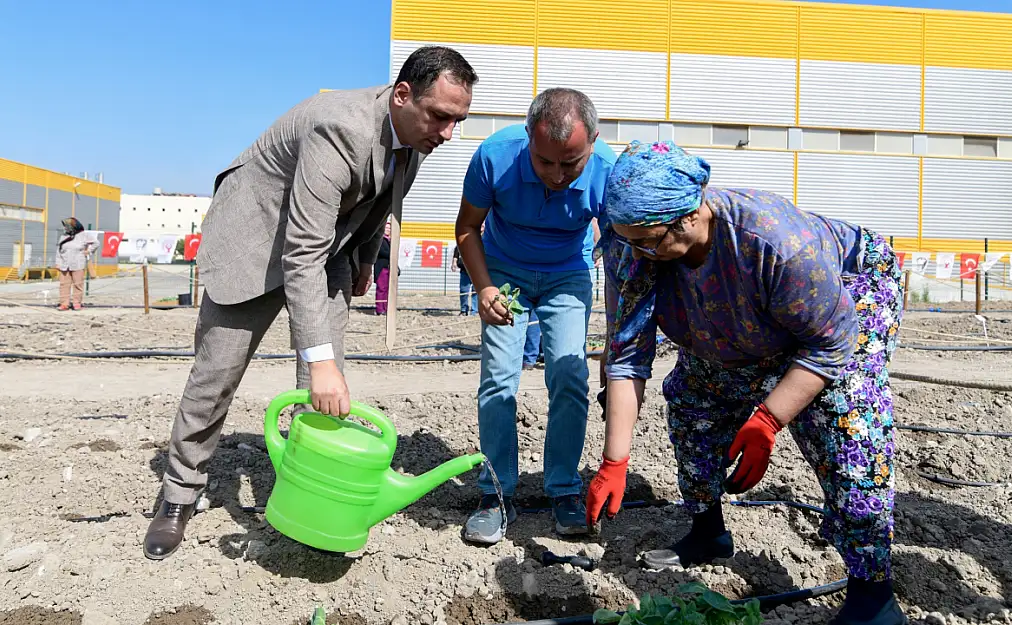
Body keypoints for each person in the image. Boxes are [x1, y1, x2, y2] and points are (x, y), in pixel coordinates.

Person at [141, 46, 478, 561]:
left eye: (458, 120)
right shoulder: (338, 126)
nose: (448, 134)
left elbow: (379, 198)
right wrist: (316, 360)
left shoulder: (416, 135)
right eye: (442, 117)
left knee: (324, 390)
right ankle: (178, 495)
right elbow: (300, 252)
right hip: (254, 242)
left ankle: (308, 497)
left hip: (329, 247)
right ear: (403, 95)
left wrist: (365, 258)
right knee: (216, 378)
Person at [586, 141, 908, 625]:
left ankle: (873, 595)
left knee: (848, 425)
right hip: (737, 314)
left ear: (690, 216)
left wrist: (768, 419)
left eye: (649, 241)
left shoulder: (774, 243)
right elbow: (628, 353)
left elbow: (830, 344)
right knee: (695, 400)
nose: (639, 254)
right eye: (629, 240)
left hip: (847, 297)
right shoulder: (632, 244)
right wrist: (615, 462)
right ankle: (707, 531)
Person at [455, 87, 615, 544]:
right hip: (505, 272)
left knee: (569, 375)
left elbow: (620, 249)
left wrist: (619, 332)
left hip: (568, 275)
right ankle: (496, 493)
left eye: (571, 163)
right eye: (546, 162)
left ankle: (563, 488)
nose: (558, 176)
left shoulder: (607, 169)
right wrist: (484, 287)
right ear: (529, 138)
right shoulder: (495, 157)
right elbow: (467, 227)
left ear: (593, 141)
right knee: (500, 377)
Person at [54, 218, 99, 311]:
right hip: (64, 264)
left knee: (78, 284)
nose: (65, 228)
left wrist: (89, 251)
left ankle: (76, 303)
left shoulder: (84, 235)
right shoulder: (63, 236)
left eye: (67, 226)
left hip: (78, 264)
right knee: (64, 285)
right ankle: (64, 304)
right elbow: (59, 251)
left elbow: (96, 243)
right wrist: (58, 263)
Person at [373, 221, 393, 315]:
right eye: (387, 228)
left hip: (388, 267)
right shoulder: (380, 240)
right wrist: (392, 255)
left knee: (386, 289)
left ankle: (385, 308)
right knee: (381, 289)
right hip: (381, 268)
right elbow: (382, 252)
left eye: (390, 228)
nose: (388, 229)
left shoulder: (389, 241)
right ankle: (379, 309)